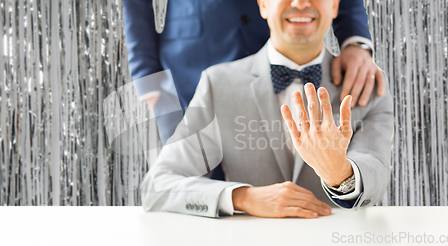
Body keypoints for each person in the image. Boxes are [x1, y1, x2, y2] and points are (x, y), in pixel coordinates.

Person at [140, 0, 393, 218]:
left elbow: (376, 175)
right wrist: (243, 197)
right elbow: (157, 186)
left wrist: (339, 173)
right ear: (262, 4)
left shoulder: (366, 86)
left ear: (336, 4)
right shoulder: (218, 84)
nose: (301, 3)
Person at [123, 0, 385, 144]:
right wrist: (148, 80)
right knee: (194, 192)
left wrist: (355, 42)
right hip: (187, 73)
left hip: (283, 57)